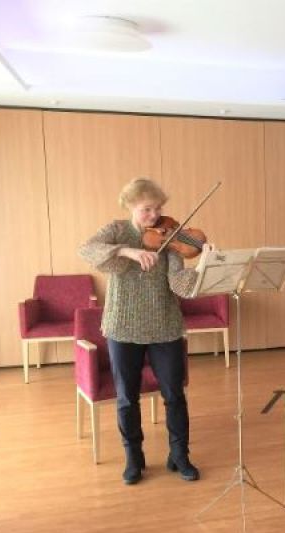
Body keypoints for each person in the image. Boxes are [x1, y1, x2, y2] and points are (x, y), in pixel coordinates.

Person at [79, 178, 207, 485]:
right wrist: (128, 252)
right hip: (122, 327)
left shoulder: (170, 235)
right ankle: (133, 459)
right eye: (147, 209)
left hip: (165, 325)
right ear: (130, 206)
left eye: (158, 208)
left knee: (174, 395)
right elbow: (86, 249)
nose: (155, 215)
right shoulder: (116, 230)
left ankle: (180, 455)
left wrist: (205, 265)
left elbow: (180, 285)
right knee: (126, 397)